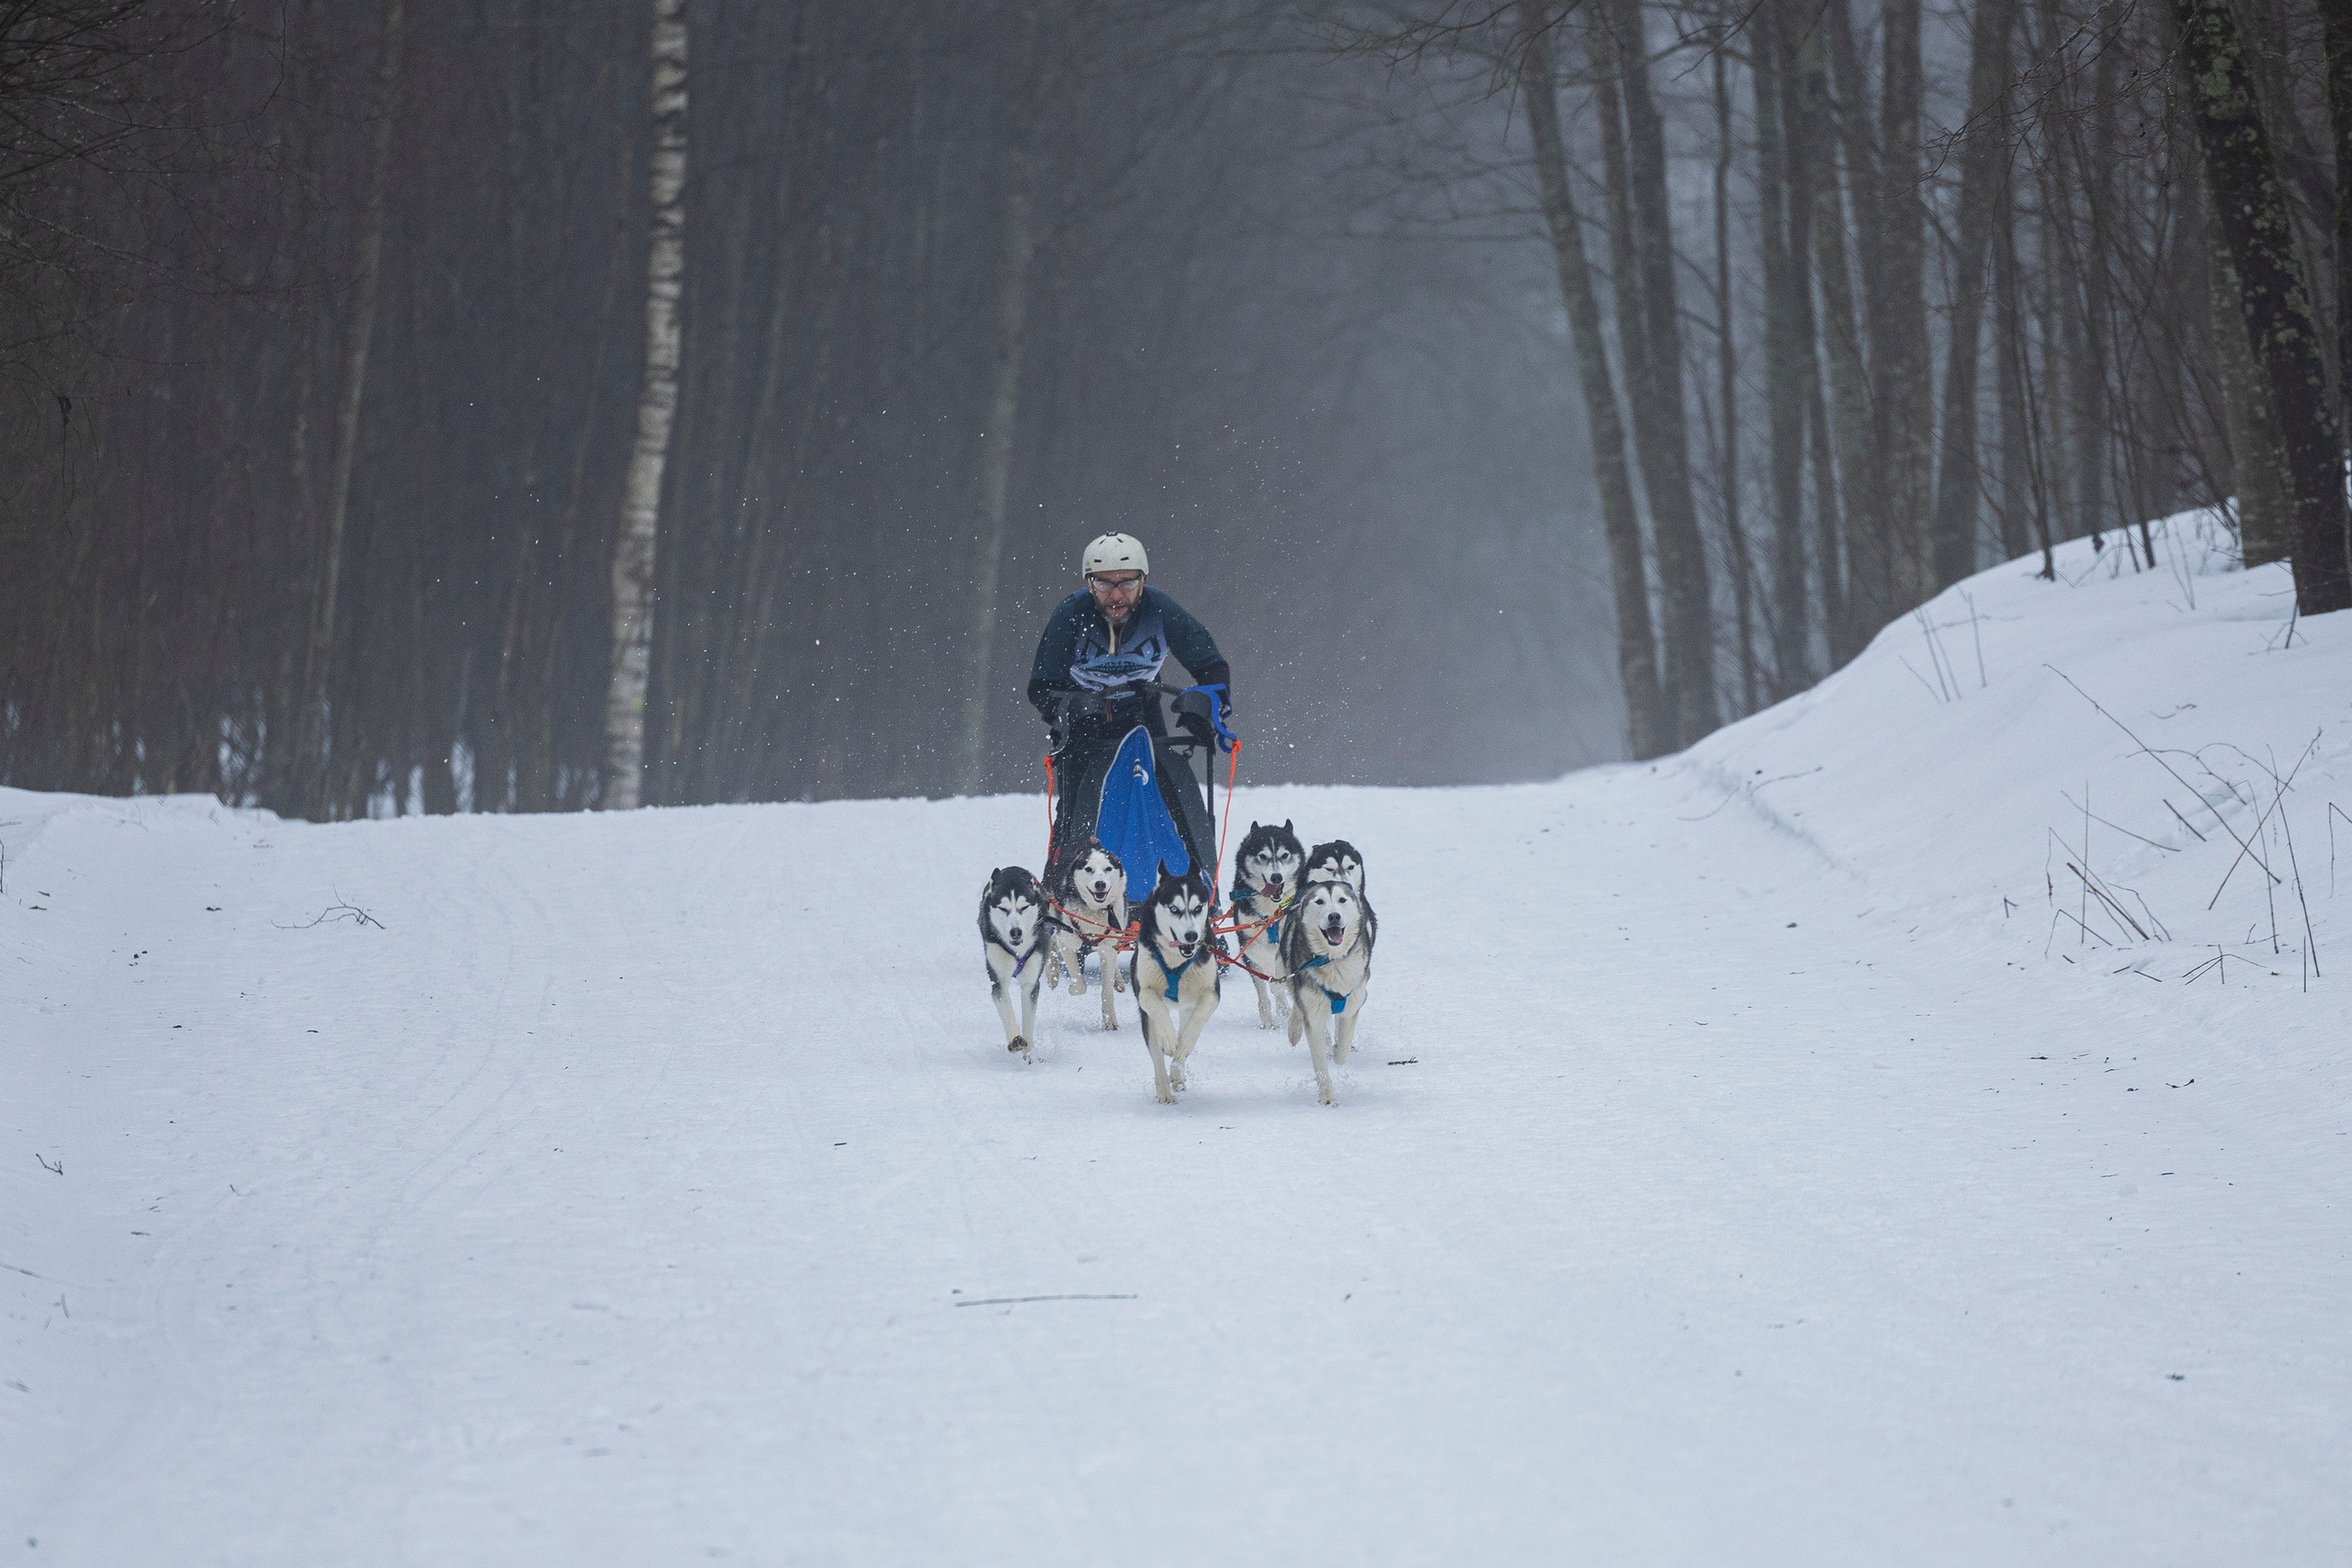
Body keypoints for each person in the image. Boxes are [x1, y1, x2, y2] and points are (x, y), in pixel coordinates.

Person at [1027, 532, 1231, 882]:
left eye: (1127, 583)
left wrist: (1204, 704)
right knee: (1079, 813)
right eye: (1103, 584)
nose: (1116, 595)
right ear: (1088, 583)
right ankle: (1063, 892)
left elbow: (1212, 666)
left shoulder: (1160, 610)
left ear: (1143, 581)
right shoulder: (1071, 614)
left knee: (1172, 794)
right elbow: (1042, 686)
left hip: (1141, 714)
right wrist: (1071, 709)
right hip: (1084, 720)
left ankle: (1194, 890)